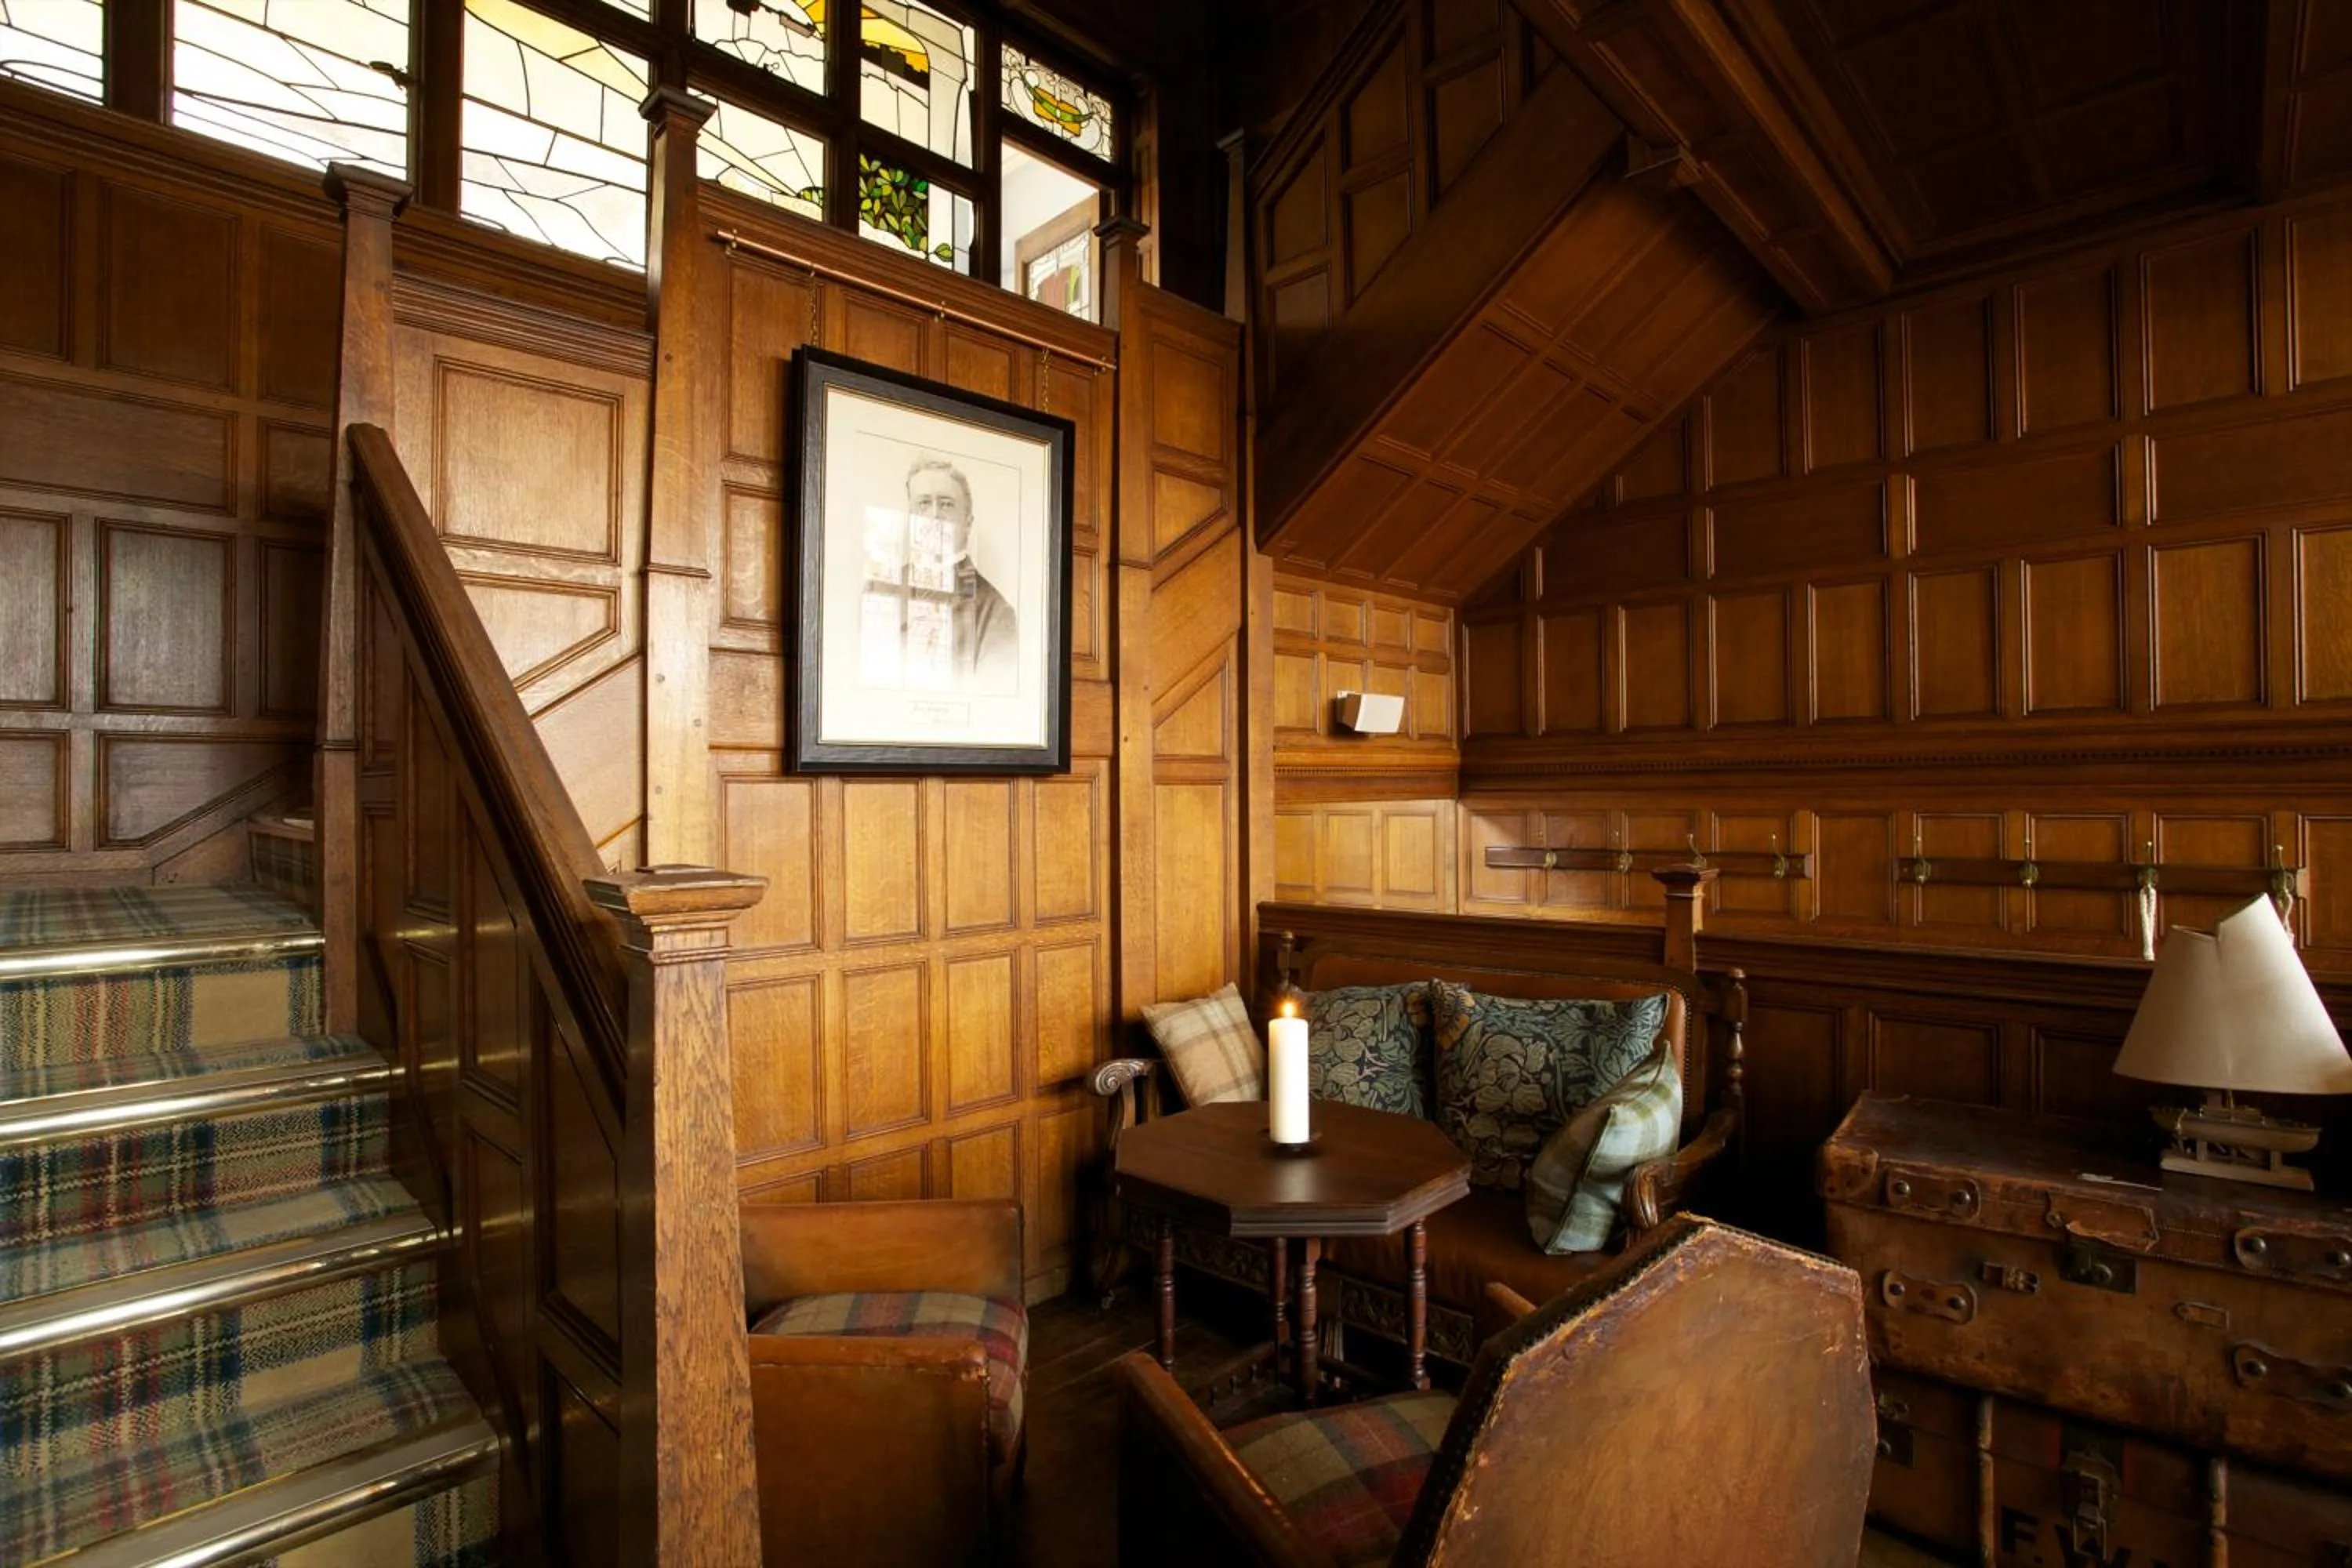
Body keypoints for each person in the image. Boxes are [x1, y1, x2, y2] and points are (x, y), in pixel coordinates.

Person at [902, 455, 1018, 693]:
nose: (934, 515)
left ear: (967, 523)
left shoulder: (996, 612)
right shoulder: (881, 589)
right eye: (923, 503)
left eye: (946, 504)